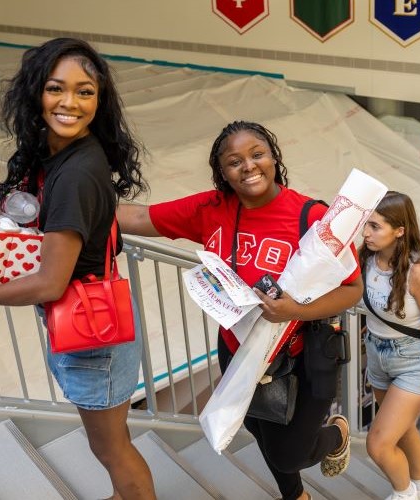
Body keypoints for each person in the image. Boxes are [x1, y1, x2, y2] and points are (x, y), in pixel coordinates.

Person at [0, 38, 155, 499]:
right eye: (56, 88)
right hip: (90, 325)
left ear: (99, 100)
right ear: (35, 93)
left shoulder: (78, 173)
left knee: (112, 449)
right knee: (111, 444)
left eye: (85, 92)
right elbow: (40, 199)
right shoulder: (58, 151)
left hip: (94, 338)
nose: (69, 103)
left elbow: (50, 280)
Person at [117, 121, 360, 500]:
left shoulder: (313, 218)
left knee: (289, 453)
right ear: (223, 174)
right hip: (238, 349)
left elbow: (352, 290)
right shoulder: (212, 209)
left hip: (300, 357)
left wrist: (293, 309)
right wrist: (65, 210)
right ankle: (296, 496)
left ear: (274, 157)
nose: (248, 166)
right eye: (234, 162)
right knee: (261, 429)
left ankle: (335, 435)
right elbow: (140, 218)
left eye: (257, 154)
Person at [359, 192, 420, 500]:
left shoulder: (419, 273)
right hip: (376, 352)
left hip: (413, 360)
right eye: (366, 225)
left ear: (399, 230)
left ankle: (405, 493)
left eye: (375, 227)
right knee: (403, 429)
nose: (366, 233)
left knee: (378, 444)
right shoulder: (367, 258)